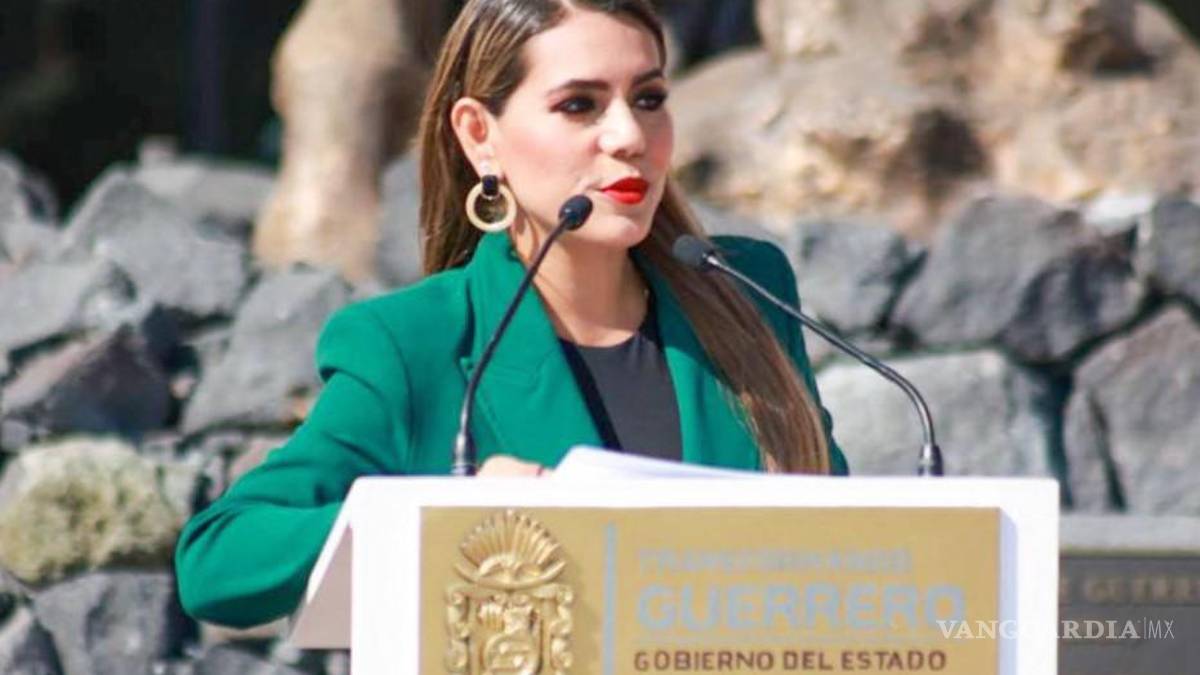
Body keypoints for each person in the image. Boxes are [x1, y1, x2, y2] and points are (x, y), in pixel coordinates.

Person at [174, 0, 848, 629]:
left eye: (649, 99)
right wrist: (444, 518)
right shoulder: (414, 344)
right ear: (479, 136)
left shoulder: (747, 291)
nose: (629, 136)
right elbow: (218, 558)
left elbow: (841, 541)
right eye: (580, 105)